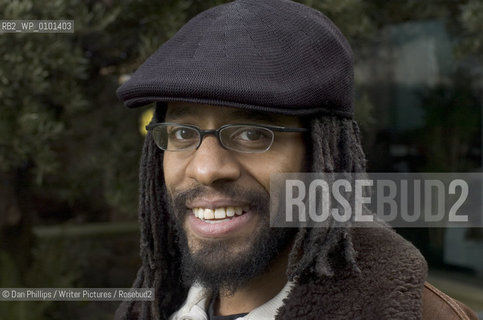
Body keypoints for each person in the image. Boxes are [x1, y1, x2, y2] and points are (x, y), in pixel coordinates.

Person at [115, 0, 478, 319]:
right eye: (182, 134)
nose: (206, 169)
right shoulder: (154, 305)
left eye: (253, 134)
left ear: (325, 158)